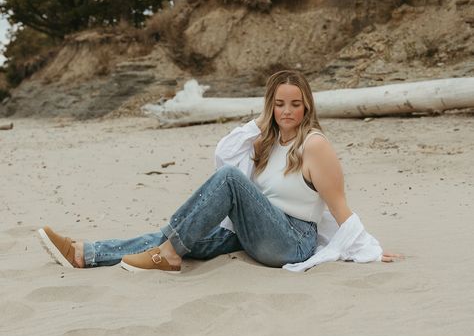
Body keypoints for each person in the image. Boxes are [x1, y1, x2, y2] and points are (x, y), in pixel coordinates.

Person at [38, 70, 402, 273]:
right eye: (278, 104)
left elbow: (339, 206)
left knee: (226, 187)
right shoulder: (267, 142)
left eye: (294, 103)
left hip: (291, 241)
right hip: (255, 232)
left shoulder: (315, 145)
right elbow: (224, 155)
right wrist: (261, 125)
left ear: (307, 105)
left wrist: (368, 247)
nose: (287, 111)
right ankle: (85, 253)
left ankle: (168, 253)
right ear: (270, 106)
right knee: (185, 233)